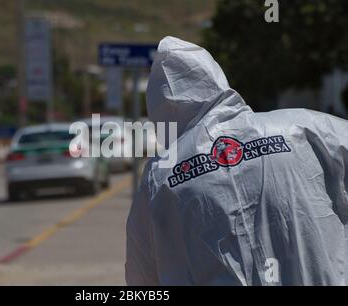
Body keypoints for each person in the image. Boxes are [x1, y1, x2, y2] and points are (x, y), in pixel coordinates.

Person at [126, 36, 348, 286]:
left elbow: (142, 277)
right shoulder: (305, 128)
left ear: (159, 108)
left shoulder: (160, 176)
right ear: (214, 80)